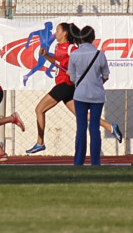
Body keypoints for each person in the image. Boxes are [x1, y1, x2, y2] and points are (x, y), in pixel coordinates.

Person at [25, 22, 122, 154]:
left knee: (39, 109)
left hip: (65, 85)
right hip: (65, 86)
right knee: (80, 114)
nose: (55, 34)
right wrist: (46, 55)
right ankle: (111, 127)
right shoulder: (59, 47)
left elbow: (81, 58)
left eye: (58, 31)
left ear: (65, 33)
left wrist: (75, 73)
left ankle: (40, 142)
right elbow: (58, 63)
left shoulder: (71, 48)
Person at [67, 25, 110, 166]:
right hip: (97, 95)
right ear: (93, 38)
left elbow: (72, 78)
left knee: (81, 128)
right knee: (95, 128)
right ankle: (95, 161)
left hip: (80, 95)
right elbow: (105, 76)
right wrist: (96, 83)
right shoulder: (100, 54)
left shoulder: (74, 55)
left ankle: (78, 161)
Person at [22, 21, 55, 85]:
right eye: (51, 25)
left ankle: (48, 70)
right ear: (47, 26)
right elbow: (32, 33)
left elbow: (49, 42)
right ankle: (26, 76)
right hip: (43, 52)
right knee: (39, 66)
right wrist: (27, 43)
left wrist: (55, 37)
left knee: (54, 59)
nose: (52, 27)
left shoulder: (50, 33)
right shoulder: (41, 32)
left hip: (46, 52)